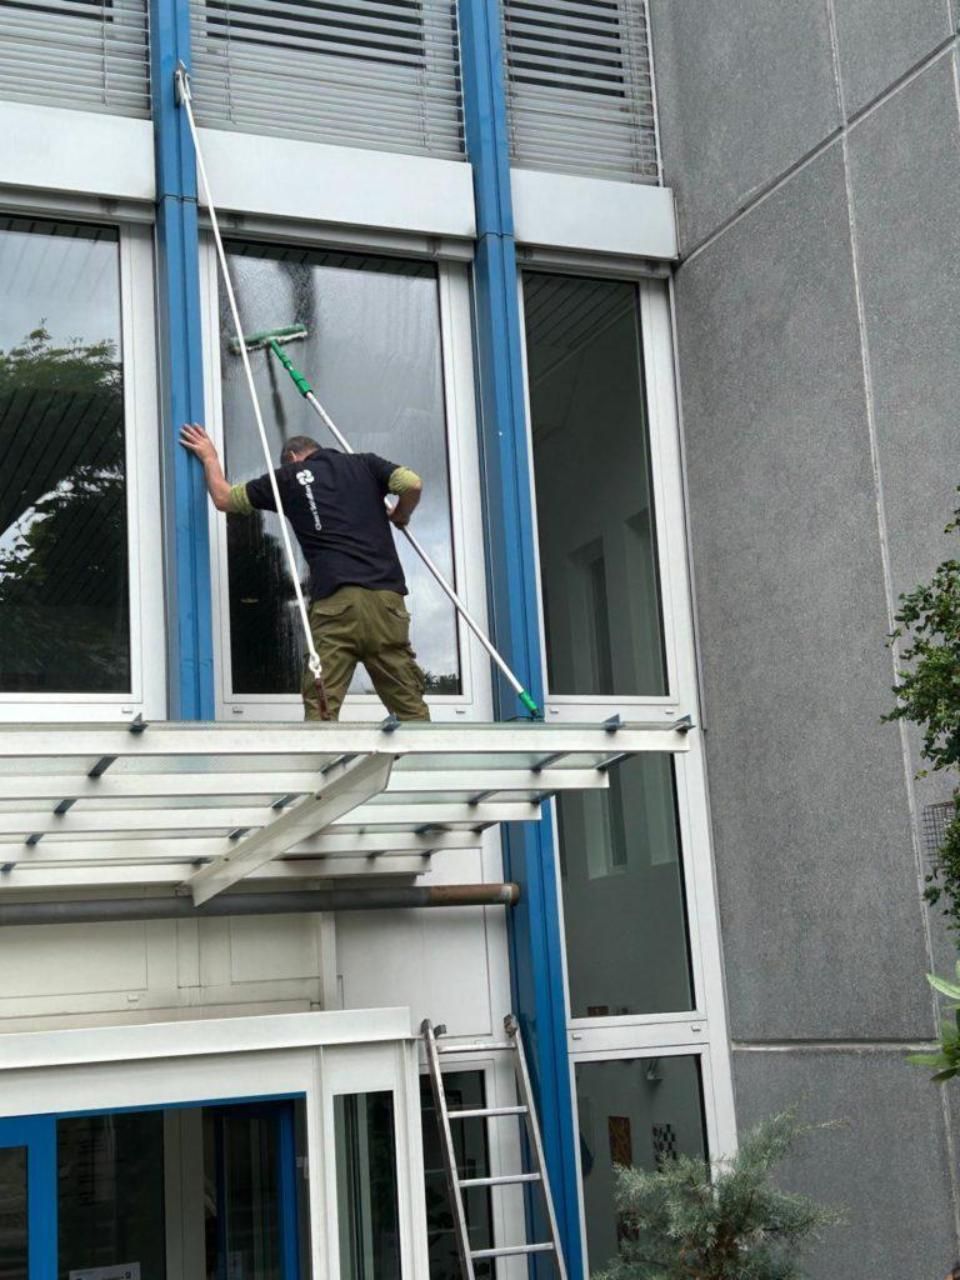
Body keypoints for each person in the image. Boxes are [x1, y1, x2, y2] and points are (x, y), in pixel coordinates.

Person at [180, 423, 430, 722]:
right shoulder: (364, 463)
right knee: (409, 707)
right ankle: (425, 763)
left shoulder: (288, 477)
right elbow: (411, 483)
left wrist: (209, 457)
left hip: (337, 606)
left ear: (293, 458)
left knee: (322, 707)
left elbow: (224, 498)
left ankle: (325, 763)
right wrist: (401, 514)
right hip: (387, 604)